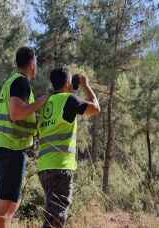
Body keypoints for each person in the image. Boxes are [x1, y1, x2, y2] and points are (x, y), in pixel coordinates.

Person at [0, 47, 47, 228]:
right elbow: (16, 113)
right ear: (31, 64)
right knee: (4, 205)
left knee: (11, 203)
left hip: (7, 146)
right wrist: (40, 103)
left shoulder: (12, 82)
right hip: (10, 148)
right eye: (35, 62)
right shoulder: (21, 82)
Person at [37, 68, 100, 228]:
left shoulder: (45, 104)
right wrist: (86, 85)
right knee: (55, 219)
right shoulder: (68, 100)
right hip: (60, 167)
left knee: (53, 214)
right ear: (67, 83)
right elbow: (95, 108)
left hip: (44, 167)